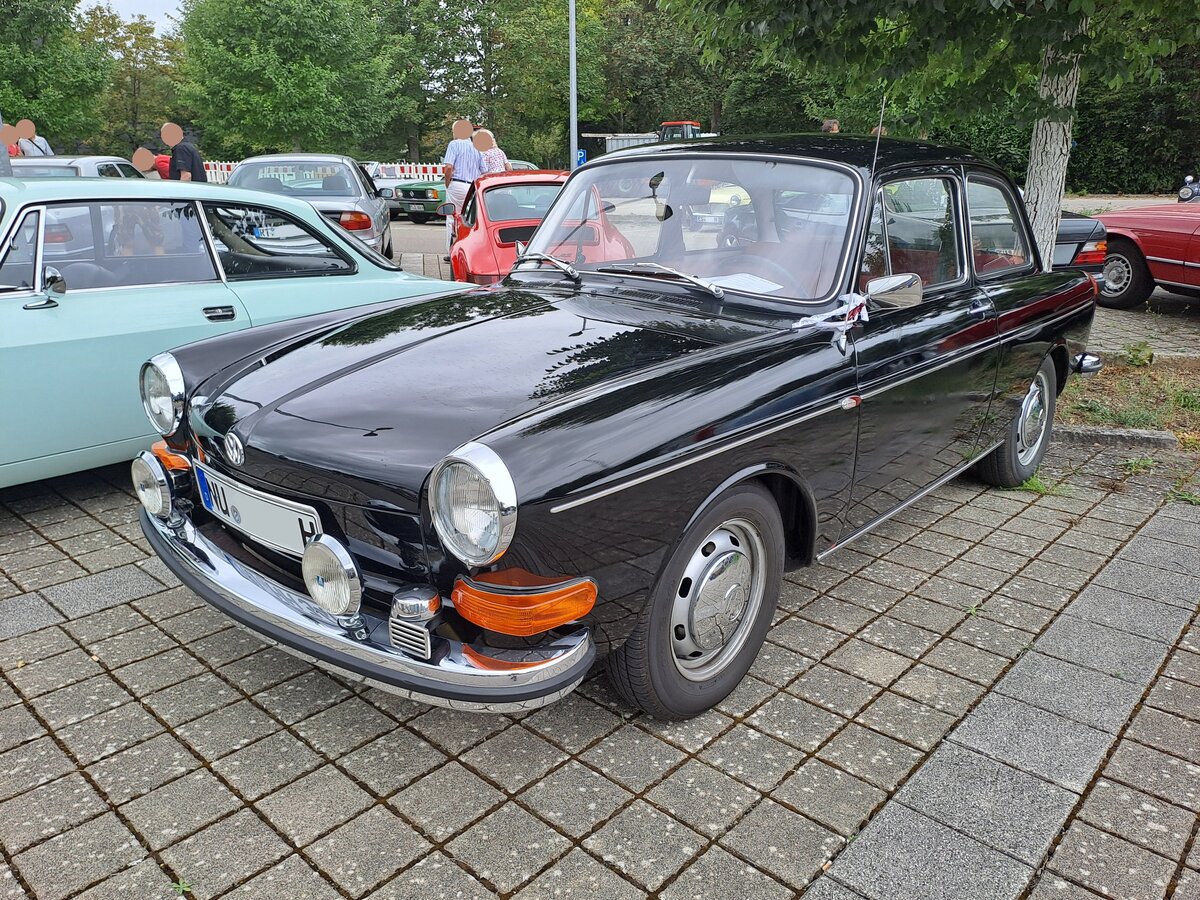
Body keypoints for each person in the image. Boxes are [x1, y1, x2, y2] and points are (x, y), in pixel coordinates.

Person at [441, 118, 483, 257]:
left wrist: (448, 183)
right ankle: (470, 250)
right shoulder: (477, 147)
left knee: (452, 217)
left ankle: (450, 251)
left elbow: (448, 167)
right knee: (470, 219)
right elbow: (484, 170)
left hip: (457, 184)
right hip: (472, 187)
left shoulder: (454, 144)